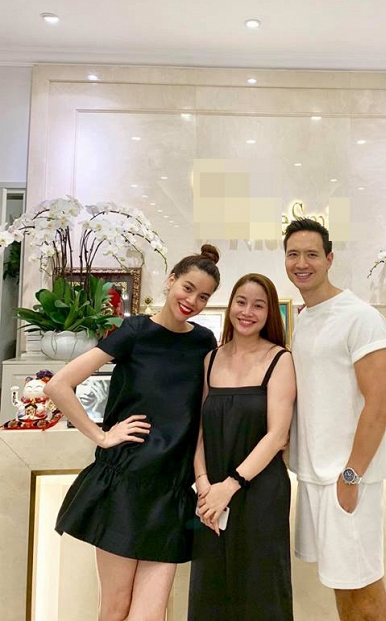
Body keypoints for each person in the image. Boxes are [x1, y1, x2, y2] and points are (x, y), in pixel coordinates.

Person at [45, 246, 221, 621]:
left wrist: (203, 477)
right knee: (115, 607)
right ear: (171, 281)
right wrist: (102, 436)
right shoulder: (135, 331)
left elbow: (204, 417)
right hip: (125, 485)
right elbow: (58, 385)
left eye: (203, 296)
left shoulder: (204, 341)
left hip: (172, 491)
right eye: (188, 288)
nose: (192, 301)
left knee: (150, 614)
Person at [284, 218, 386, 621]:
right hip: (316, 478)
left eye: (312, 254)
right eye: (293, 254)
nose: (302, 263)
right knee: (344, 590)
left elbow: (379, 405)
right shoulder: (305, 318)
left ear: (329, 259)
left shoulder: (360, 317)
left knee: (366, 595)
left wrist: (351, 476)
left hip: (348, 479)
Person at [188, 273, 296, 621]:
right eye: (241, 302)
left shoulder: (280, 359)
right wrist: (204, 484)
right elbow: (200, 430)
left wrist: (230, 486)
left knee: (260, 594)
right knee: (210, 591)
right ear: (230, 305)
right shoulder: (210, 359)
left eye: (258, 305)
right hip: (211, 497)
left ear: (269, 313)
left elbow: (277, 436)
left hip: (260, 490)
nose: (247, 312)